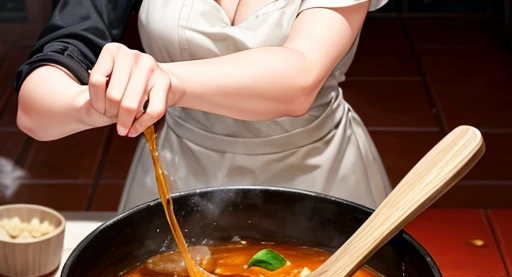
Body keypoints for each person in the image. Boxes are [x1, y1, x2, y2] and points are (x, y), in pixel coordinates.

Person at [15, 0, 391, 212]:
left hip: (318, 174)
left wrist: (166, 80)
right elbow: (36, 109)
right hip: (180, 169)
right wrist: (102, 100)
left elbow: (298, 79)